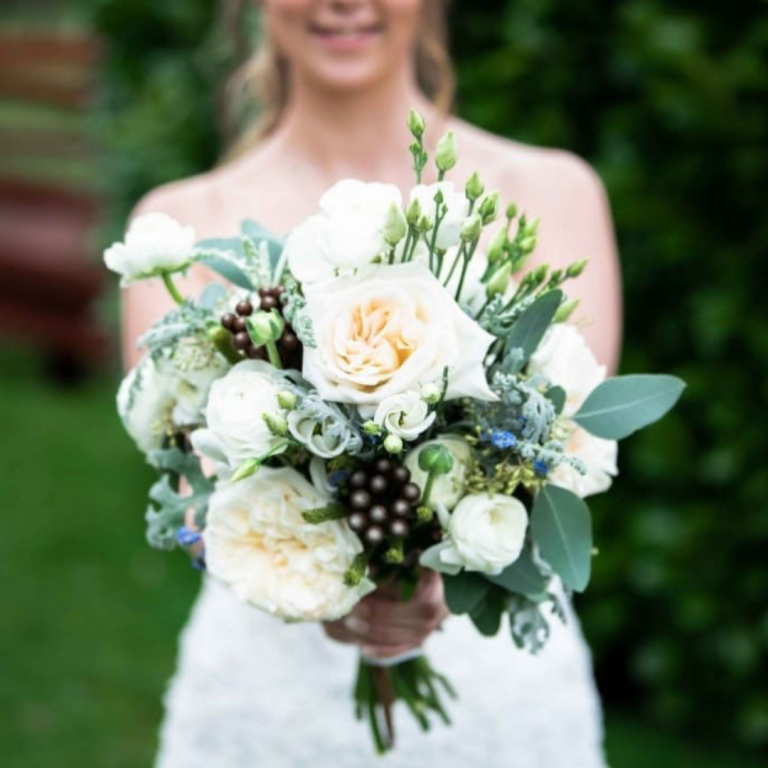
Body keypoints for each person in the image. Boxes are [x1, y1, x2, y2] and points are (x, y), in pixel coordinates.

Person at [121, 1, 621, 766]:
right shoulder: (180, 224)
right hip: (267, 695)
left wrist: (440, 564)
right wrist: (333, 580)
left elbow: (571, 445)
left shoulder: (553, 193)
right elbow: (201, 484)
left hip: (499, 694)